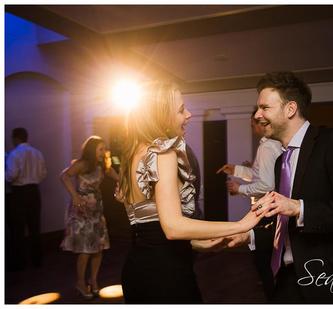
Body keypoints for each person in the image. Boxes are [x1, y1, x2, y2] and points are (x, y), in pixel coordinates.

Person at [206, 72, 333, 303]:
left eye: (264, 107)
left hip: (332, 281)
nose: (258, 115)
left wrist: (298, 207)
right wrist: (249, 236)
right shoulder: (280, 161)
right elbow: (284, 226)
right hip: (289, 277)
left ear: (290, 109)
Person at [116, 80, 268, 303]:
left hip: (138, 269)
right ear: (160, 115)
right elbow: (172, 227)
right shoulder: (163, 154)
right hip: (166, 275)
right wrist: (240, 224)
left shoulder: (132, 155)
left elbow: (151, 227)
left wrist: (199, 242)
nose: (188, 114)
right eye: (180, 110)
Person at [60, 136, 119, 299]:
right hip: (82, 210)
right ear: (92, 150)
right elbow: (64, 176)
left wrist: (123, 182)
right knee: (85, 249)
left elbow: (115, 174)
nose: (103, 151)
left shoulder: (103, 165)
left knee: (98, 247)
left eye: (104, 148)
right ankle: (80, 282)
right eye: (100, 149)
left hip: (97, 209)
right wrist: (75, 196)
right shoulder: (82, 164)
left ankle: (93, 281)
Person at [5, 128, 47, 271]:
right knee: (35, 226)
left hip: (19, 193)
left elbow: (11, 175)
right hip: (34, 192)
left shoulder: (14, 154)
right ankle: (37, 260)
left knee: (18, 229)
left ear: (16, 138)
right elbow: (42, 174)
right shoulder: (37, 153)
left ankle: (20, 262)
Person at [217, 109, 282, 200]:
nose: (252, 130)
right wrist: (236, 170)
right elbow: (259, 175)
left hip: (269, 205)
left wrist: (239, 188)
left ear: (261, 124)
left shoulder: (267, 147)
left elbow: (267, 186)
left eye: (252, 126)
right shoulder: (271, 144)